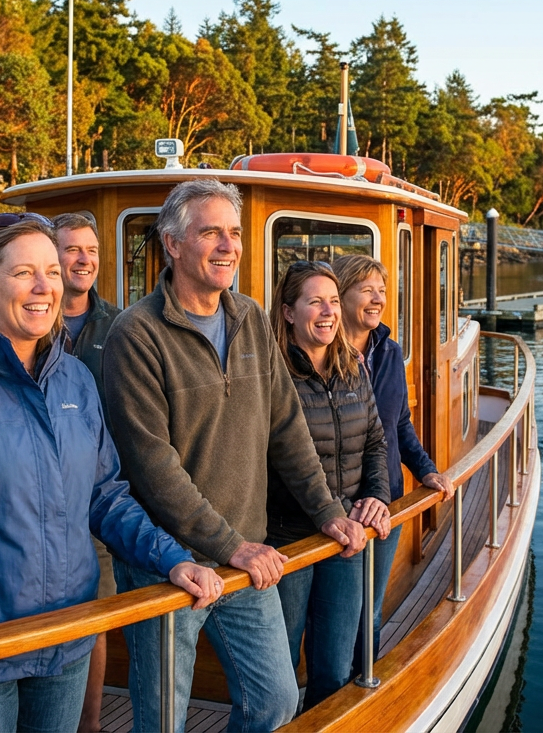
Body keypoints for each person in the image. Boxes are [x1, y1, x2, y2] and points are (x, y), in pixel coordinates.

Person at [0, 214, 224, 733]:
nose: (44, 286)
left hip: (65, 640)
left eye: (51, 270)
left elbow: (104, 496)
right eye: (24, 272)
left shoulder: (74, 379)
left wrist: (170, 558)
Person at [101, 179, 372, 732]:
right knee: (164, 720)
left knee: (275, 699)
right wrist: (232, 546)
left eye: (234, 233)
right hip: (167, 564)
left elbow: (286, 427)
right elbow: (153, 467)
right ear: (173, 244)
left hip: (244, 556)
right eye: (211, 233)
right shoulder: (137, 334)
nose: (228, 245)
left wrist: (328, 513)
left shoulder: (250, 316)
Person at [268, 260, 391, 711]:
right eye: (314, 301)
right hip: (291, 539)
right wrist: (333, 511)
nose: (328, 312)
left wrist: (375, 495)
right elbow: (277, 460)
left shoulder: (352, 367)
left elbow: (376, 440)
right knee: (279, 670)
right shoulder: (272, 375)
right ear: (287, 312)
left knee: (336, 669)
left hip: (346, 541)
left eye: (334, 301)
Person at [331, 254, 454, 672]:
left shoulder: (389, 351)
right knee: (338, 620)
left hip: (388, 503)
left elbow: (399, 423)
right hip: (342, 508)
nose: (377, 298)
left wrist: (426, 470)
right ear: (341, 294)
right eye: (366, 289)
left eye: (382, 290)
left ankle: (365, 684)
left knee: (371, 610)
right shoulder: (323, 354)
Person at [51, 210, 123, 733]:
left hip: (97, 499)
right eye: (72, 249)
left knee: (94, 619)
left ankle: (90, 725)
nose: (84, 260)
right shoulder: (27, 319)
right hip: (31, 499)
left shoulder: (120, 325)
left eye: (92, 251)